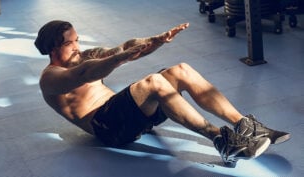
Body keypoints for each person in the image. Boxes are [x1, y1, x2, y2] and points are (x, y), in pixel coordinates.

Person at [35, 20, 290, 167]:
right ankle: (223, 142)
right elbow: (85, 74)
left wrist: (154, 41)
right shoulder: (50, 79)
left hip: (130, 116)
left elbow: (123, 48)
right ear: (52, 48)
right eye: (70, 43)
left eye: (77, 39)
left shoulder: (82, 55)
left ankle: (244, 125)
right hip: (109, 128)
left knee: (181, 70)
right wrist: (120, 59)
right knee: (154, 82)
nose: (77, 47)